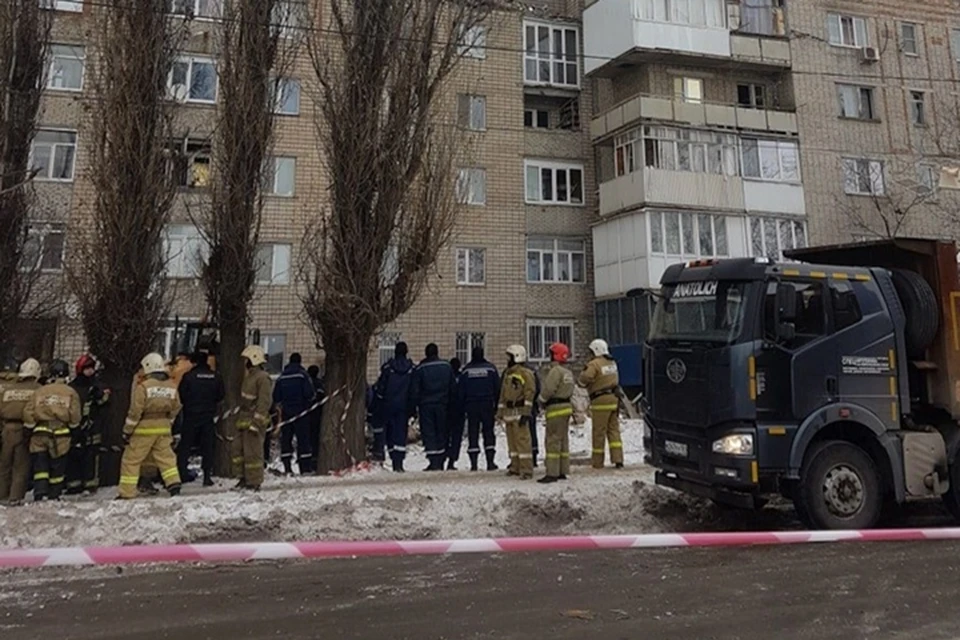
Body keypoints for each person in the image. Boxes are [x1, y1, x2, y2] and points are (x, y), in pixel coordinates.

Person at [117, 353, 182, 499]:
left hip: (144, 430)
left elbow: (135, 412)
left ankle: (127, 492)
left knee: (131, 460)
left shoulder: (144, 387)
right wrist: (169, 421)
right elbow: (177, 407)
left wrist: (127, 431)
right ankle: (174, 484)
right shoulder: (171, 386)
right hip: (164, 428)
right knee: (166, 458)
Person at [24, 360, 81, 501]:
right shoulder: (70, 392)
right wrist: (75, 429)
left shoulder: (40, 391)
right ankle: (54, 494)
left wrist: (29, 428)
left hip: (39, 434)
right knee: (57, 468)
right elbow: (75, 415)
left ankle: (40, 493)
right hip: (61, 435)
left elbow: (28, 412)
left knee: (40, 468)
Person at [178, 350, 225, 486]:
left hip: (191, 415)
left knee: (185, 445)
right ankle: (206, 476)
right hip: (208, 416)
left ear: (195, 362)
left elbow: (182, 395)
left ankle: (182, 473)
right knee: (207, 446)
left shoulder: (188, 377)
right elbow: (221, 395)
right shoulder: (215, 376)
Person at [66, 354, 111, 495]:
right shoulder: (72, 387)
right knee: (73, 455)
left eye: (91, 368)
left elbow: (105, 403)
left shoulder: (98, 385)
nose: (90, 371)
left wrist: (100, 396)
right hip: (74, 426)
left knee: (91, 456)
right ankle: (73, 485)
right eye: (87, 368)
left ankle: (90, 484)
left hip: (93, 426)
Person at [0, 359, 42, 505]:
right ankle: (15, 497)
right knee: (21, 465)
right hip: (25, 429)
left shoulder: (8, 389)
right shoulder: (38, 389)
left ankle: (1, 495)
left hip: (6, 429)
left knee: (4, 464)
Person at [410, 343, 456, 471]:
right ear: (437, 352)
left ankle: (433, 461)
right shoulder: (446, 366)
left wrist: (413, 407)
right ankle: (441, 460)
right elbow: (453, 387)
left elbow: (415, 390)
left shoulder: (420, 369)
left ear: (426, 353)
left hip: (426, 406)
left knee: (429, 433)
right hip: (443, 405)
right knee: (442, 431)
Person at [233, 345, 273, 490]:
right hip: (243, 420)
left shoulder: (263, 378)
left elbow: (264, 402)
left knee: (253, 454)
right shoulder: (250, 376)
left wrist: (257, 423)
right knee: (238, 451)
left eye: (247, 359)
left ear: (254, 359)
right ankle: (243, 478)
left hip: (253, 422)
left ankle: (254, 482)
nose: (245, 362)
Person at [579, 339, 623, 469]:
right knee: (614, 430)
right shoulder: (612, 362)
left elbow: (584, 378)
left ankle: (598, 462)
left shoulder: (594, 364)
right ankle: (618, 459)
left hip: (600, 400)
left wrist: (582, 382)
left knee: (599, 431)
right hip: (614, 399)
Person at [372, 342, 414, 472]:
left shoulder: (387, 368)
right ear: (406, 352)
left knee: (390, 432)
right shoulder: (411, 369)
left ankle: (392, 456)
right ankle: (399, 463)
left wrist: (377, 402)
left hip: (388, 405)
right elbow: (414, 389)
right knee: (400, 433)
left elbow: (381, 388)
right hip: (404, 406)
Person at [273, 353, 317, 475]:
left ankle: (287, 467)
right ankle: (305, 468)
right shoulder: (303, 375)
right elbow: (310, 394)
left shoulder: (281, 377)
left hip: (286, 413)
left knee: (286, 440)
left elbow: (276, 397)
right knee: (303, 440)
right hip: (301, 413)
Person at [538, 343, 575, 484]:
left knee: (552, 440)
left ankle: (552, 473)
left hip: (555, 409)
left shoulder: (555, 371)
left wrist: (541, 400)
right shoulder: (568, 372)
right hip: (566, 407)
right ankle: (562, 470)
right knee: (563, 440)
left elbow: (548, 389)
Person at [458, 346, 500, 472]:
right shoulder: (491, 369)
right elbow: (497, 388)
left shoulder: (466, 370)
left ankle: (474, 464)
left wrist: (462, 407)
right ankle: (490, 462)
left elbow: (461, 391)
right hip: (487, 404)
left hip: (472, 406)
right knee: (488, 432)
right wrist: (497, 406)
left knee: (473, 433)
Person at [498, 345, 536, 480]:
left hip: (520, 412)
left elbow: (529, 393)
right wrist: (500, 412)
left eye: (509, 356)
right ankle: (515, 467)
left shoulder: (526, 374)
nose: (507, 359)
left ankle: (526, 470)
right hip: (509, 412)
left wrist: (526, 412)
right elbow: (503, 394)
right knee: (512, 443)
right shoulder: (508, 373)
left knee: (523, 442)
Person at [445, 357, 464, 470]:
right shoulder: (462, 377)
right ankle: (452, 460)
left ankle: (444, 458)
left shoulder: (446, 378)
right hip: (459, 411)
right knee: (456, 437)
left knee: (446, 435)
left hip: (447, 410)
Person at [524, 359, 542, 467]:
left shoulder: (512, 371)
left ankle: (519, 461)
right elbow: (538, 388)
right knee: (532, 431)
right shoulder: (532, 370)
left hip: (519, 407)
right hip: (531, 406)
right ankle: (533, 458)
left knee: (519, 434)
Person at [307, 364, 324, 466]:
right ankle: (315, 458)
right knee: (315, 437)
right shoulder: (319, 383)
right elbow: (322, 397)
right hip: (316, 414)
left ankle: (308, 460)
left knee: (307, 438)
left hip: (306, 414)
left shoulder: (306, 382)